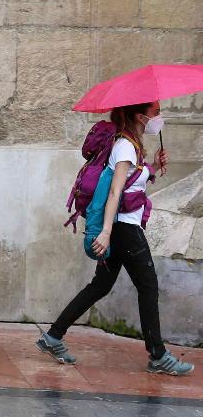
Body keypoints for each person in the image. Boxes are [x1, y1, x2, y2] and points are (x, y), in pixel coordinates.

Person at [37, 101, 193, 377]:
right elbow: (114, 192)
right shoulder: (125, 147)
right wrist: (106, 233)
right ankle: (158, 355)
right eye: (156, 113)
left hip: (121, 229)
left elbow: (132, 184)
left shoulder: (131, 144)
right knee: (148, 287)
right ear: (140, 116)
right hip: (123, 231)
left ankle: (53, 337)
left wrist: (153, 167)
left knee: (100, 286)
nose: (159, 118)